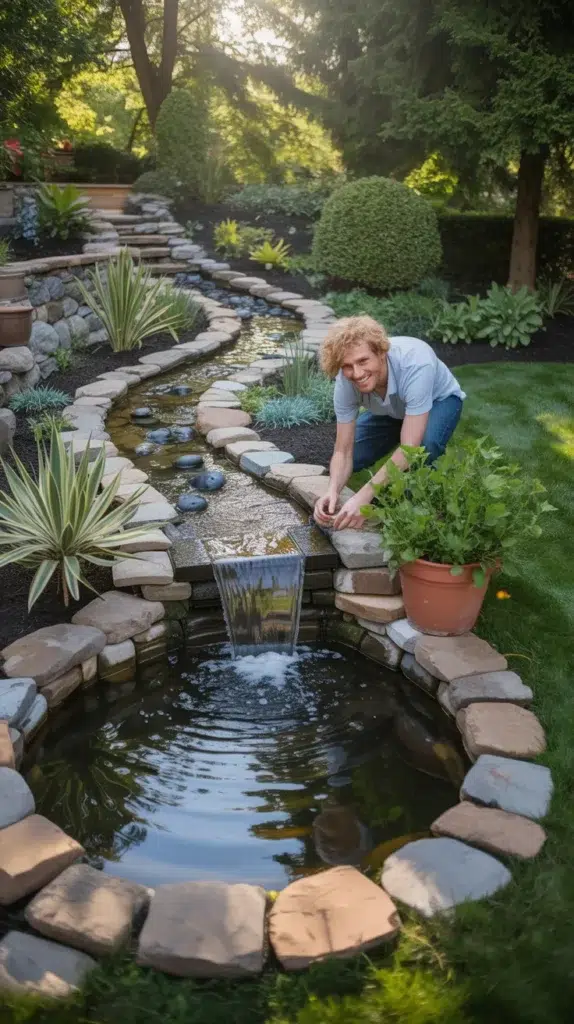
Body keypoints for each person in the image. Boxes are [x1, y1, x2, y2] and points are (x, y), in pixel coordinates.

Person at [313, 315, 465, 531]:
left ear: (381, 353)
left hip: (438, 402)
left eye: (363, 361)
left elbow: (409, 448)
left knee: (425, 447)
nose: (356, 374)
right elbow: (342, 451)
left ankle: (418, 514)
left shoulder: (416, 363)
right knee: (354, 454)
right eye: (347, 366)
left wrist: (364, 496)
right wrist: (333, 490)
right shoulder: (345, 381)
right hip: (391, 410)